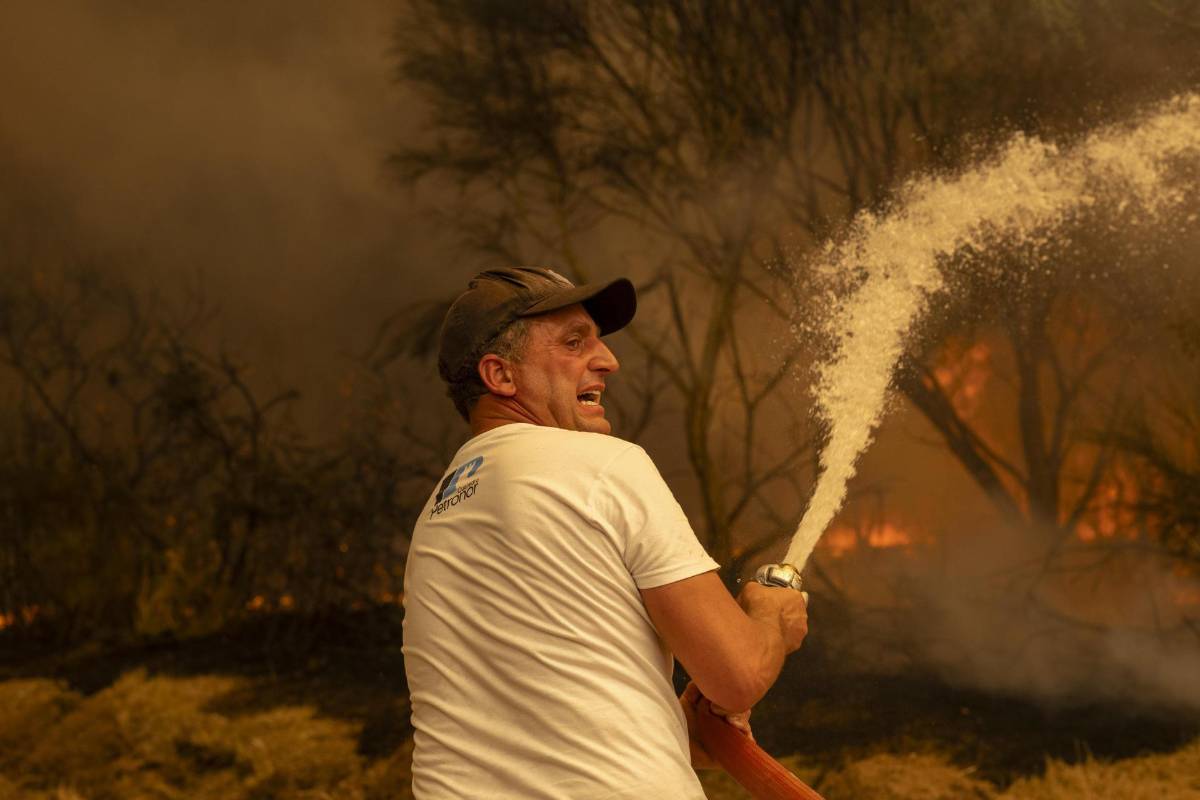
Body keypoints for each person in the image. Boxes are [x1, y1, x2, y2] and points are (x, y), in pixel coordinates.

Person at [403, 267, 809, 798]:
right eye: (574, 342)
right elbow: (737, 675)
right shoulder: (601, 466)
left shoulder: (438, 516)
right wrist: (769, 614)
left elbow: (537, 710)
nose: (608, 360)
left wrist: (671, 727)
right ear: (500, 376)